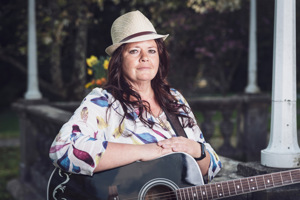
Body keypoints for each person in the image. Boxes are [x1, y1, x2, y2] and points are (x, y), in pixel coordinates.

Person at [49, 10, 221, 186]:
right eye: (134, 51)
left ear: (160, 57)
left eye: (152, 50)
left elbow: (212, 168)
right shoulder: (103, 102)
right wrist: (144, 151)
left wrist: (196, 150)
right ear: (119, 60)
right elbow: (63, 149)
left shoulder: (174, 98)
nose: (145, 58)